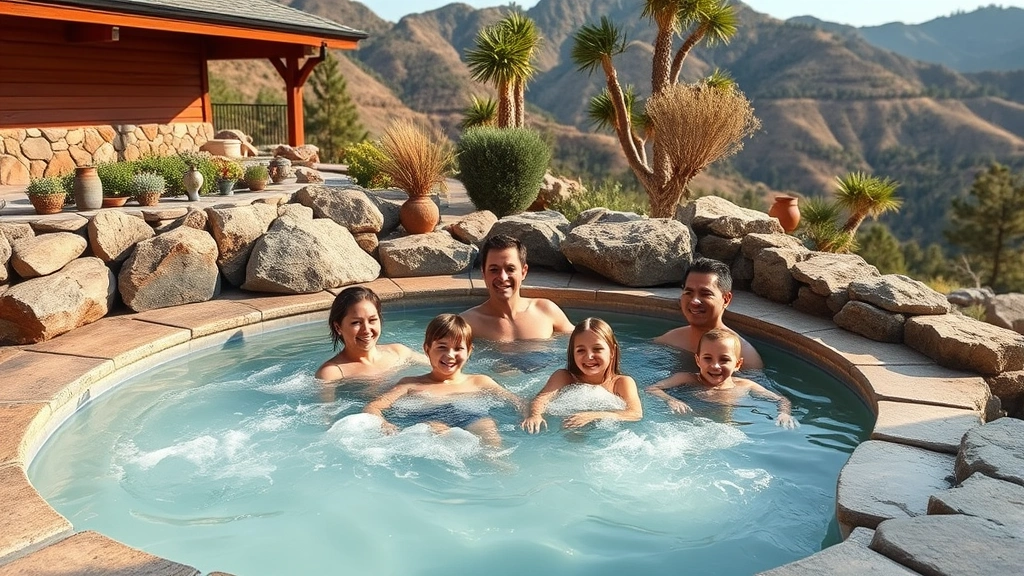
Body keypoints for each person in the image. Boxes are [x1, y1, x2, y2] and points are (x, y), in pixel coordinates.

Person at [363, 314, 523, 447]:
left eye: (458, 348)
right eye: (442, 347)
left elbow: (516, 401)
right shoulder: (410, 385)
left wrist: (532, 415)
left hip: (471, 416)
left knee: (487, 425)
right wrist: (383, 423)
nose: (450, 355)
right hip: (430, 420)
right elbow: (373, 406)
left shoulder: (480, 382)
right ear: (427, 349)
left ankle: (496, 461)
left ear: (469, 351)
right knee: (436, 429)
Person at [646, 328, 798, 429]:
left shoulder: (746, 385)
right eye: (707, 358)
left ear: (737, 364)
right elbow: (651, 389)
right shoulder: (687, 379)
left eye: (724, 359)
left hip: (725, 430)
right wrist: (671, 400)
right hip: (686, 426)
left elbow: (781, 400)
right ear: (698, 360)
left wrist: (784, 413)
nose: (715, 366)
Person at [521, 317, 643, 433]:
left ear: (612, 351)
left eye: (597, 349)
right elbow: (542, 399)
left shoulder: (621, 383)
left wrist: (593, 416)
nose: (589, 357)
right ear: (572, 353)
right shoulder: (565, 377)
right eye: (581, 350)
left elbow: (635, 413)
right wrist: (535, 415)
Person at [654, 257, 764, 369]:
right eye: (689, 292)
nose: (694, 301)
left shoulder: (745, 356)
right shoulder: (670, 340)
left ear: (726, 299)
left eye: (705, 294)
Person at [462, 234, 574, 341]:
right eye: (494, 270)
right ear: (484, 273)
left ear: (523, 272)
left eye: (510, 269)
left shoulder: (546, 311)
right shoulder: (468, 323)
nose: (502, 277)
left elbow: (583, 343)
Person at [315, 286, 426, 382]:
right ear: (338, 327)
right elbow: (328, 407)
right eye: (356, 323)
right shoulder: (332, 374)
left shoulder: (398, 352)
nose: (366, 330)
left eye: (372, 320)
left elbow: (438, 368)